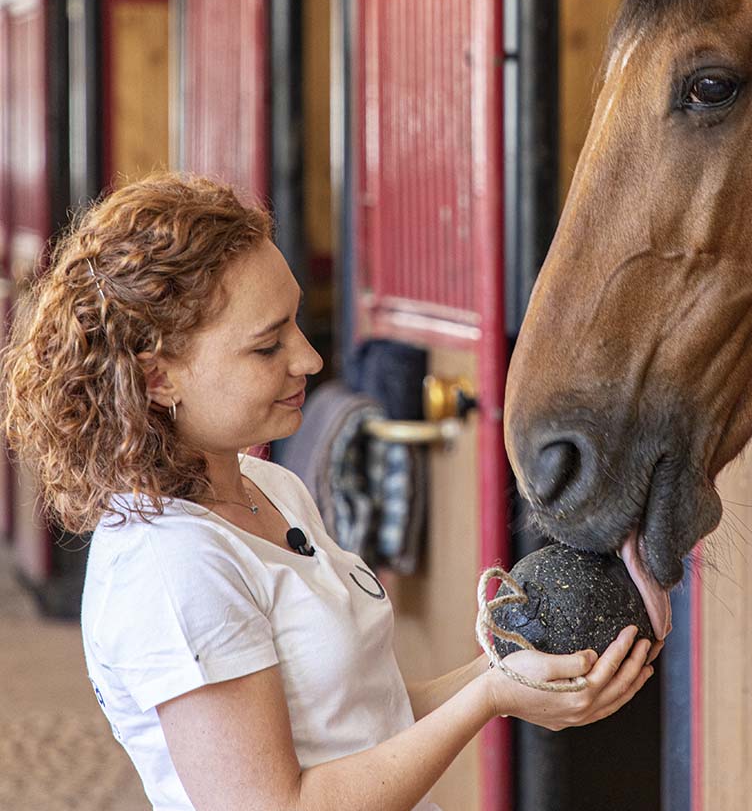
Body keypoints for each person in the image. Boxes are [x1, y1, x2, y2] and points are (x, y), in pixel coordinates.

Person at [1, 172, 655, 811]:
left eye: (296, 323)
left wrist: (509, 674)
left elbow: (359, 718)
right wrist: (491, 700)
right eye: (266, 347)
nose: (309, 359)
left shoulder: (268, 485)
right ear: (158, 378)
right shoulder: (174, 571)